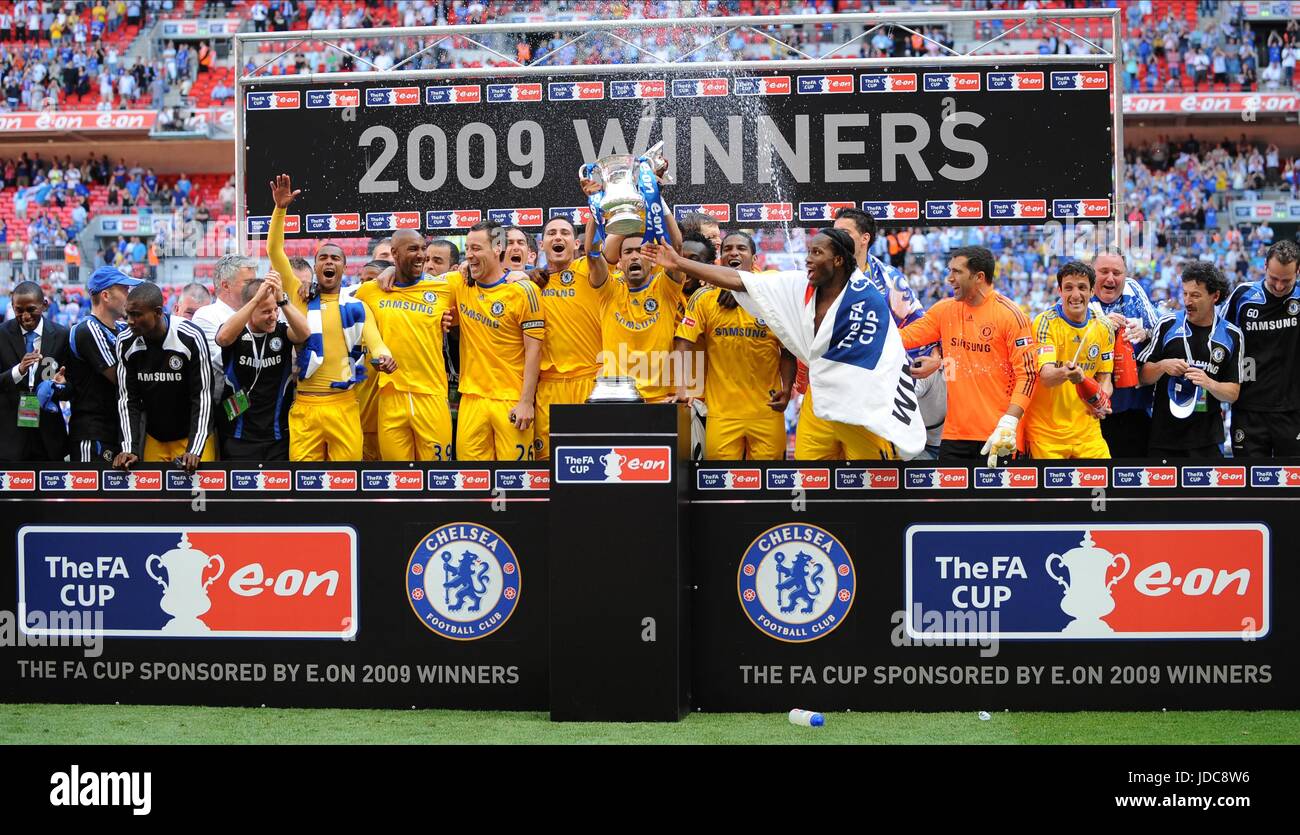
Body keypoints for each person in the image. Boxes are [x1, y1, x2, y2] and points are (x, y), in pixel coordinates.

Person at [648, 228, 923, 460]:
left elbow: (880, 357)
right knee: (807, 479)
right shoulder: (797, 285)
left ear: (838, 260)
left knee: (873, 484)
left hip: (861, 410)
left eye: (817, 253)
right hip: (819, 407)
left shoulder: (867, 299)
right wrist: (679, 263)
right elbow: (740, 281)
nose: (808, 260)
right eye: (809, 252)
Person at [267, 174, 394, 462]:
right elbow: (274, 250)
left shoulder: (356, 306)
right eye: (323, 258)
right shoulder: (300, 297)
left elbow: (375, 341)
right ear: (315, 266)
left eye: (335, 258)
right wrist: (280, 209)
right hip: (305, 407)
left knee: (346, 485)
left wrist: (384, 357)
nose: (328, 262)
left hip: (345, 406)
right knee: (304, 487)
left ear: (344, 268)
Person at [411, 221, 543, 461]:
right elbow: (413, 285)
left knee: (515, 483)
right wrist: (389, 271)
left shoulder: (523, 290)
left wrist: (526, 402)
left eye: (476, 248)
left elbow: (534, 351)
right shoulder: (459, 283)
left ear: (497, 248)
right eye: (468, 249)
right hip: (471, 401)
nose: (470, 255)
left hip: (510, 400)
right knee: (472, 482)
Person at [898, 246, 1037, 465]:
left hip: (998, 436)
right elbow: (903, 338)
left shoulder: (1011, 316)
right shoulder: (944, 310)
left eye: (956, 272)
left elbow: (1028, 375)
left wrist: (1009, 422)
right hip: (954, 436)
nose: (949, 278)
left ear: (979, 276)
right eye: (949, 271)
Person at [835, 206, 946, 458]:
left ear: (865, 239)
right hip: (836, 383)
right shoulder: (821, 273)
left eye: (844, 232)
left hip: (881, 385)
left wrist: (935, 358)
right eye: (834, 231)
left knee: (880, 463)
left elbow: (920, 322)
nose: (836, 237)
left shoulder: (888, 278)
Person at [673, 230, 794, 460]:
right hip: (721, 415)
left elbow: (787, 348)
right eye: (727, 249)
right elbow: (684, 341)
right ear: (719, 259)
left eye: (741, 248)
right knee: (722, 487)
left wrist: (787, 389)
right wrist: (682, 388)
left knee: (770, 488)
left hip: (766, 411)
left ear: (755, 259)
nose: (733, 252)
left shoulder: (771, 293)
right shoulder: (705, 298)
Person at [355, 231, 456, 461]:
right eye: (413, 249)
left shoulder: (445, 288)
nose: (421, 255)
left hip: (431, 396)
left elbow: (488, 279)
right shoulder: (369, 292)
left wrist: (521, 275)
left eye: (423, 248)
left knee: (438, 480)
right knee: (398, 482)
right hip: (391, 398)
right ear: (394, 253)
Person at [1138, 261, 1243, 459]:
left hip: (1207, 440)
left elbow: (1233, 393)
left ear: (1215, 296)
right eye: (1185, 293)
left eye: (1195, 295)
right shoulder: (1167, 324)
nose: (1187, 301)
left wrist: (1209, 383)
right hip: (1164, 437)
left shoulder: (1231, 335)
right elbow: (1142, 377)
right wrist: (1162, 366)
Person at [112, 282, 215, 474]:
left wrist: (195, 449)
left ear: (158, 312)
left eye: (136, 315)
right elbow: (127, 400)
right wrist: (129, 448)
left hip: (192, 437)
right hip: (155, 437)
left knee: (200, 500)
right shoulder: (125, 341)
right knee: (155, 502)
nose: (130, 321)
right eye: (128, 314)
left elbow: (202, 397)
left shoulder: (190, 336)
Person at [525, 214, 605, 459]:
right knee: (548, 464)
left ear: (576, 244)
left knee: (593, 460)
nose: (558, 237)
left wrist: (595, 205)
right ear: (541, 244)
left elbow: (599, 249)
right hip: (549, 387)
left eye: (565, 233)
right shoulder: (528, 284)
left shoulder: (587, 270)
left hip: (589, 383)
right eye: (551, 233)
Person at [594, 204, 687, 403]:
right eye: (628, 252)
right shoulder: (609, 290)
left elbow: (677, 246)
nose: (635, 256)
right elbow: (593, 255)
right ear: (619, 262)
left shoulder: (665, 288)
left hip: (659, 399)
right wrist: (623, 211)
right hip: (616, 398)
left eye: (641, 251)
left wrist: (657, 200)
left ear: (654, 260)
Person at [1024, 261, 1114, 460]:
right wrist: (1068, 374)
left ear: (1092, 291)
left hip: (1088, 433)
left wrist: (1101, 400)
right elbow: (1046, 376)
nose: (1075, 295)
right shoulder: (1045, 322)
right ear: (1059, 290)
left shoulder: (1104, 327)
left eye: (1082, 287)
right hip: (1047, 434)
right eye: (1068, 288)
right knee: (1053, 492)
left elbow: (1105, 379)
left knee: (1105, 487)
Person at [215, 271, 308, 461]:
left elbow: (305, 333)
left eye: (275, 310)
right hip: (238, 435)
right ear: (250, 310)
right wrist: (256, 299)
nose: (273, 316)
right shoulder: (236, 332)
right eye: (266, 311)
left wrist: (282, 300)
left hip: (277, 436)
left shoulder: (281, 332)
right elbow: (223, 338)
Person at [1221, 240, 1300, 456]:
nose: (1279, 286)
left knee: (1293, 486)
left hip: (1293, 410)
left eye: (1287, 280)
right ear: (1264, 266)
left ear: (1298, 271)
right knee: (1249, 485)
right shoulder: (1243, 296)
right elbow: (1218, 336)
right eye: (1274, 278)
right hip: (1248, 409)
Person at [65, 267, 137, 463]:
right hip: (93, 433)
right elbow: (120, 378)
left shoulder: (122, 328)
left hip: (116, 431)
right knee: (91, 493)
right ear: (106, 295)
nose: (129, 298)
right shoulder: (88, 329)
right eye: (124, 291)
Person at [1091, 252, 1160, 457]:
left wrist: (1145, 332)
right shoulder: (1081, 292)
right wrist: (1101, 326)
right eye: (1104, 271)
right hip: (1094, 412)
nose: (1110, 278)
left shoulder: (1133, 287)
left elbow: (1157, 329)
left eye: (1116, 272)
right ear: (1092, 273)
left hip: (1135, 408)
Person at [0, 281, 69, 462]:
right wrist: (18, 371)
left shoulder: (62, 335)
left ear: (44, 305)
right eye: (19, 310)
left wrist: (62, 386)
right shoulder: (1, 335)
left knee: (50, 489)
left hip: (49, 435)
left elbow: (72, 386)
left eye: (31, 309)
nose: (25, 316)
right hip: (10, 437)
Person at [191, 253, 256, 396]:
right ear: (226, 285)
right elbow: (221, 363)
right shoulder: (206, 316)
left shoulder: (260, 313)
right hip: (222, 406)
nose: (254, 289)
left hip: (256, 406)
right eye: (248, 283)